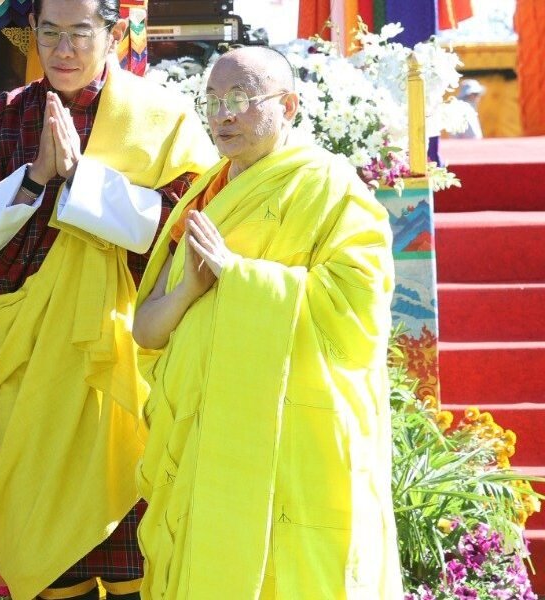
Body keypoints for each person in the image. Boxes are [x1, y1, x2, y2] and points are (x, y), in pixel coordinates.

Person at [0, 0, 217, 597]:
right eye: (50, 33)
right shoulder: (2, 119)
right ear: (32, 33)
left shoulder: (160, 117)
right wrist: (36, 176)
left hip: (126, 359)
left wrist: (82, 179)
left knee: (136, 545)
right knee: (45, 548)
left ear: (113, 34)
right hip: (35, 361)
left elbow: (188, 223)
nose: (63, 50)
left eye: (81, 33)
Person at [132, 46, 401, 599]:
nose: (222, 115)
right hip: (204, 442)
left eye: (240, 100)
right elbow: (147, 330)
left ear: (289, 106)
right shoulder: (205, 194)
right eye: (212, 101)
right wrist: (189, 291)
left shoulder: (330, 187)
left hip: (290, 441)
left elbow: (358, 307)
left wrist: (239, 277)